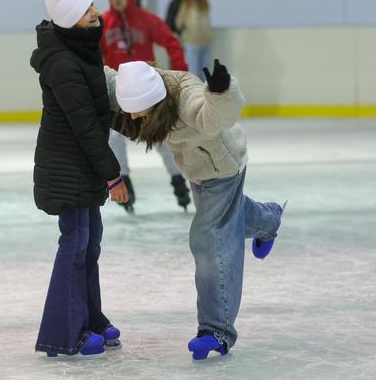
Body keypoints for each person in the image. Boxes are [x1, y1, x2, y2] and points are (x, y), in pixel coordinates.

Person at [105, 60, 286, 360]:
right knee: (231, 217)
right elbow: (103, 76)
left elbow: (215, 116)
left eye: (138, 110)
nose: (134, 117)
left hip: (221, 168)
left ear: (154, 100)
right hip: (197, 168)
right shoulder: (133, 84)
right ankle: (269, 219)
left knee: (210, 239)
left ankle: (216, 330)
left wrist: (220, 91)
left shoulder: (184, 95)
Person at [31, 0, 129, 358]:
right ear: (71, 18)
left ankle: (90, 318)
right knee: (75, 246)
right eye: (88, 9)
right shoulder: (63, 62)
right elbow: (85, 125)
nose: (96, 13)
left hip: (80, 166)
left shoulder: (80, 48)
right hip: (66, 168)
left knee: (90, 245)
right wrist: (113, 175)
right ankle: (62, 332)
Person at [101, 0, 191, 213]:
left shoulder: (146, 20)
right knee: (115, 139)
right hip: (118, 95)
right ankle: (125, 184)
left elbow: (172, 42)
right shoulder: (103, 23)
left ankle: (178, 182)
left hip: (149, 93)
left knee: (163, 139)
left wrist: (179, 76)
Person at [176, 0, 212, 78]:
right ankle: (207, 91)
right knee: (206, 70)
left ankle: (195, 91)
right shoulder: (204, 2)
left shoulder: (187, 3)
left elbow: (179, 22)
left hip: (192, 40)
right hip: (206, 39)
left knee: (194, 70)